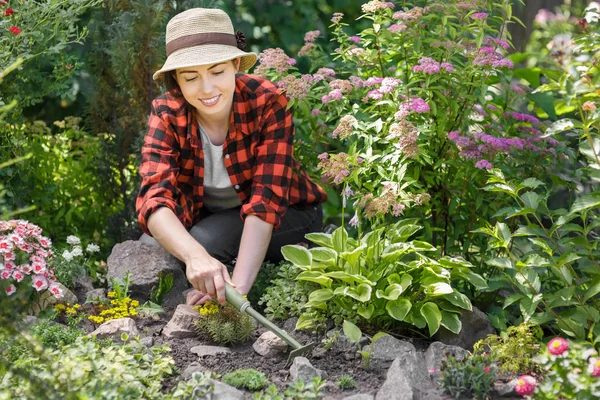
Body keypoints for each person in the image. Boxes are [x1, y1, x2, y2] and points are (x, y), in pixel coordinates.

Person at [136, 8, 327, 307]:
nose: (207, 88)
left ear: (236, 63)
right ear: (176, 80)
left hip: (287, 213)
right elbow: (154, 200)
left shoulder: (267, 101)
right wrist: (195, 257)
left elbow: (266, 201)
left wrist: (237, 291)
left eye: (217, 71)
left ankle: (290, 254)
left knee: (205, 241)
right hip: (209, 215)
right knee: (154, 244)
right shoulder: (167, 112)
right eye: (191, 77)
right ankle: (213, 261)